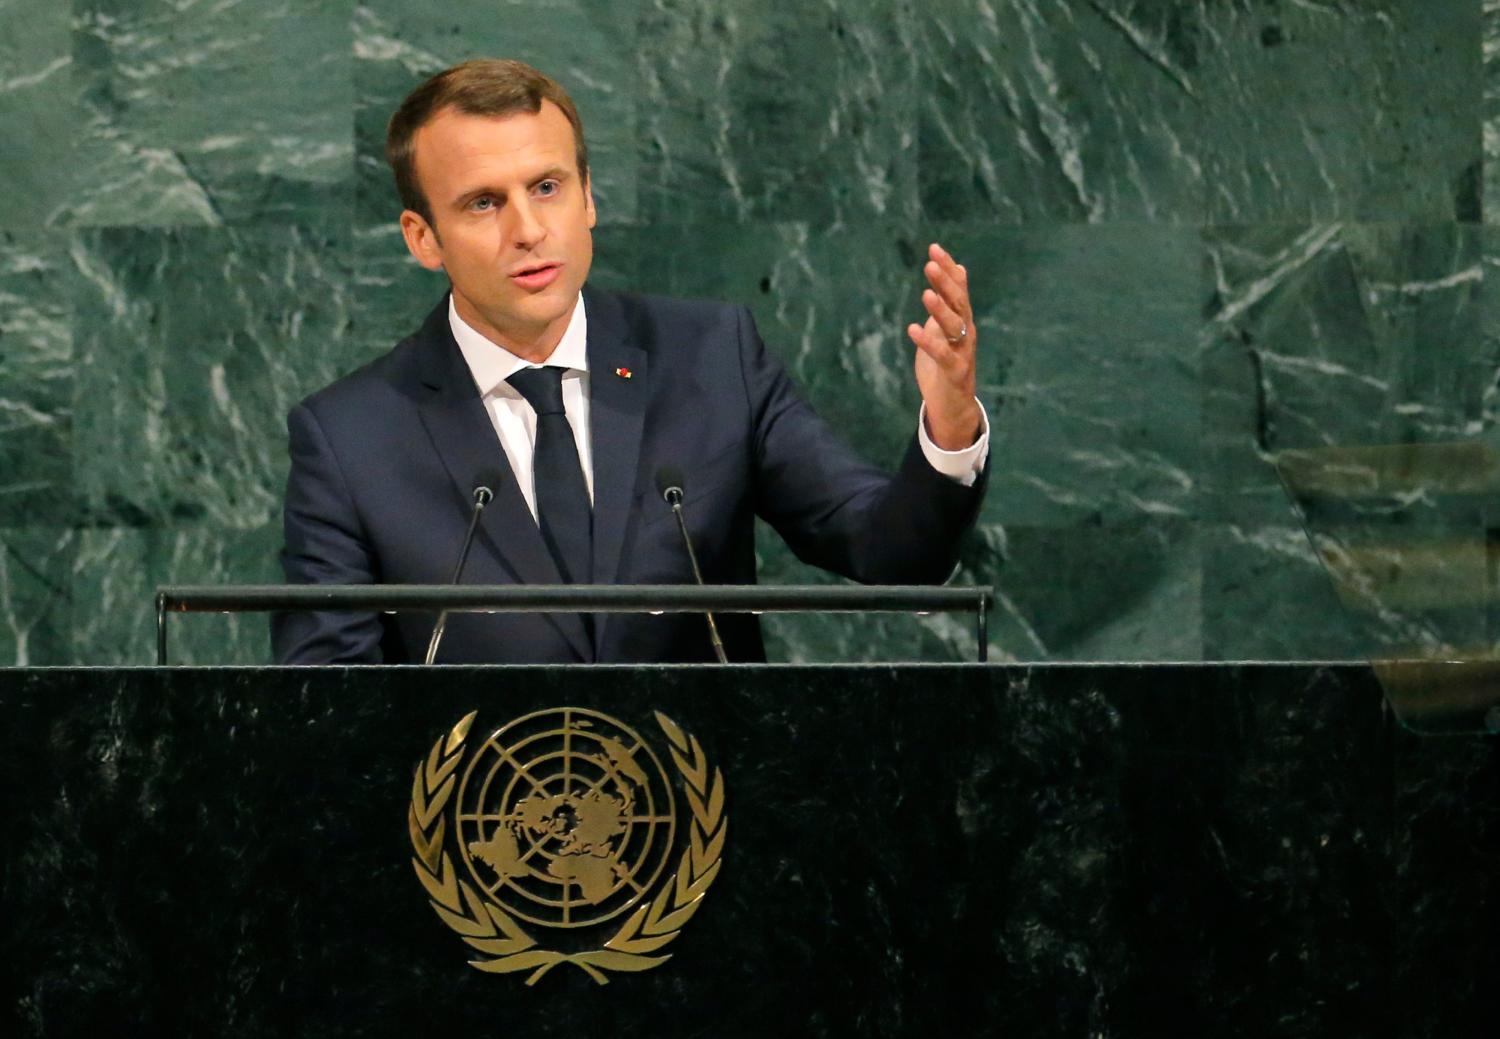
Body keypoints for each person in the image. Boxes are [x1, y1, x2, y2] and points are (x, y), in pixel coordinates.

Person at [272, 59, 990, 664]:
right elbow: (327, 714)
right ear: (423, 237)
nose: (528, 230)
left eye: (547, 187)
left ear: (588, 197)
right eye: (484, 203)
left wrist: (950, 431)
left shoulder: (712, 359)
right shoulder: (350, 438)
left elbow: (891, 551)